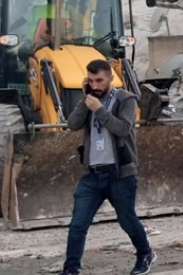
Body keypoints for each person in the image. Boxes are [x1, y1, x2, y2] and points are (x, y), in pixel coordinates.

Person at [62, 60, 155, 275]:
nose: (95, 85)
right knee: (78, 225)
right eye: (91, 80)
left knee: (128, 220)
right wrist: (84, 99)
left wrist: (100, 110)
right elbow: (72, 124)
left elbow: (123, 128)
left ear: (110, 78)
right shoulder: (90, 99)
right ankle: (71, 269)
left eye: (99, 81)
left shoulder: (126, 99)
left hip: (119, 173)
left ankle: (145, 253)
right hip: (92, 174)